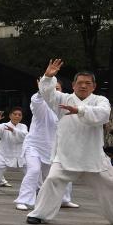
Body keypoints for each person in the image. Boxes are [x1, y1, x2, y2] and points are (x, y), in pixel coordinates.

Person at [27, 60, 113, 225]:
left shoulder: (100, 101)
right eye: (80, 83)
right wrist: (47, 77)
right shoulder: (63, 99)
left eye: (88, 83)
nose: (83, 86)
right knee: (52, 180)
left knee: (110, 185)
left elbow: (102, 115)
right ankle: (39, 214)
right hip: (66, 155)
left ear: (94, 86)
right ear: (73, 85)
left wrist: (79, 110)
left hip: (93, 156)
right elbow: (46, 93)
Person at [14, 79, 78, 211]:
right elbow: (36, 100)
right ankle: (24, 200)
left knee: (63, 173)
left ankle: (64, 199)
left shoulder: (65, 106)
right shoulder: (40, 104)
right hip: (34, 146)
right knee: (34, 170)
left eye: (57, 88)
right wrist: (42, 89)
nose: (54, 91)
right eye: (51, 88)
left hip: (53, 148)